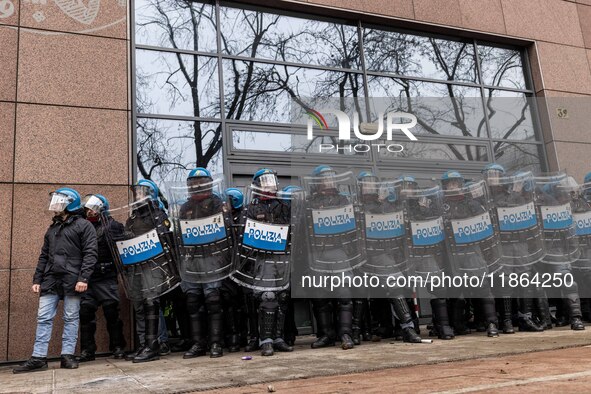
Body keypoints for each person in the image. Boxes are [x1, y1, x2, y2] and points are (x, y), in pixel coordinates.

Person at [13, 188, 98, 373]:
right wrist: (37, 279)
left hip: (73, 278)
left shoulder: (84, 226)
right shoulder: (52, 228)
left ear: (70, 204)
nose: (56, 204)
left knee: (71, 317)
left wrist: (83, 278)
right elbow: (44, 256)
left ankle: (67, 356)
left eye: (60, 201)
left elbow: (90, 254)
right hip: (51, 279)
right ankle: (38, 358)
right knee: (43, 317)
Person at [231, 169, 294, 356]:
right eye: (265, 182)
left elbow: (293, 230)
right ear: (257, 186)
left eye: (271, 181)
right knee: (268, 297)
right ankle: (265, 340)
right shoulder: (250, 208)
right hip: (263, 259)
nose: (269, 185)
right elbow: (243, 237)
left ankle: (278, 338)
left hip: (282, 258)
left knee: (282, 297)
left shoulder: (283, 206)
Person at [357, 171, 421, 344]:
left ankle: (403, 327)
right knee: (390, 288)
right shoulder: (356, 206)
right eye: (366, 183)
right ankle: (404, 327)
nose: (370, 187)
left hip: (392, 253)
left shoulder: (386, 205)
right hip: (373, 255)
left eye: (372, 183)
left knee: (399, 289)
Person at [304, 165, 362, 350]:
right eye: (324, 178)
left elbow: (353, 227)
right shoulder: (308, 203)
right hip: (317, 253)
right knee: (320, 297)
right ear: (317, 182)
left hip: (338, 251)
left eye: (331, 177)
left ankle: (346, 334)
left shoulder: (342, 199)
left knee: (344, 294)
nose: (329, 181)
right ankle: (326, 335)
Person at [175, 168, 230, 359]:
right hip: (192, 260)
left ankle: (216, 343)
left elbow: (226, 230)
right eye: (193, 183)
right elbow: (180, 235)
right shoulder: (185, 207)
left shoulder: (217, 203)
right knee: (192, 301)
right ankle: (198, 344)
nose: (197, 186)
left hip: (211, 258)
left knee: (213, 300)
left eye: (200, 182)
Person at [122, 179, 179, 363]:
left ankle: (158, 342)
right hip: (135, 267)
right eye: (136, 193)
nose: (138, 196)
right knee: (139, 305)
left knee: (151, 303)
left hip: (153, 266)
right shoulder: (132, 218)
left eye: (141, 192)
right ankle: (143, 344)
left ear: (151, 194)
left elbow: (165, 238)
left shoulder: (158, 214)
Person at [441, 171, 499, 337]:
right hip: (453, 252)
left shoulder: (472, 203)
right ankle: (458, 325)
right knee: (456, 290)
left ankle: (491, 323)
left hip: (473, 249)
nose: (453, 187)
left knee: (483, 287)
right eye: (449, 184)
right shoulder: (441, 205)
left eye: (455, 183)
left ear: (461, 185)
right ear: (444, 186)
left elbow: (485, 223)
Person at [77, 194, 127, 362]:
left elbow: (122, 250)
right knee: (85, 313)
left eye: (92, 208)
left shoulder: (113, 226)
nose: (88, 211)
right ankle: (87, 350)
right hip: (88, 278)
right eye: (87, 209)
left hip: (106, 276)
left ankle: (118, 347)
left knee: (112, 313)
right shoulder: (82, 226)